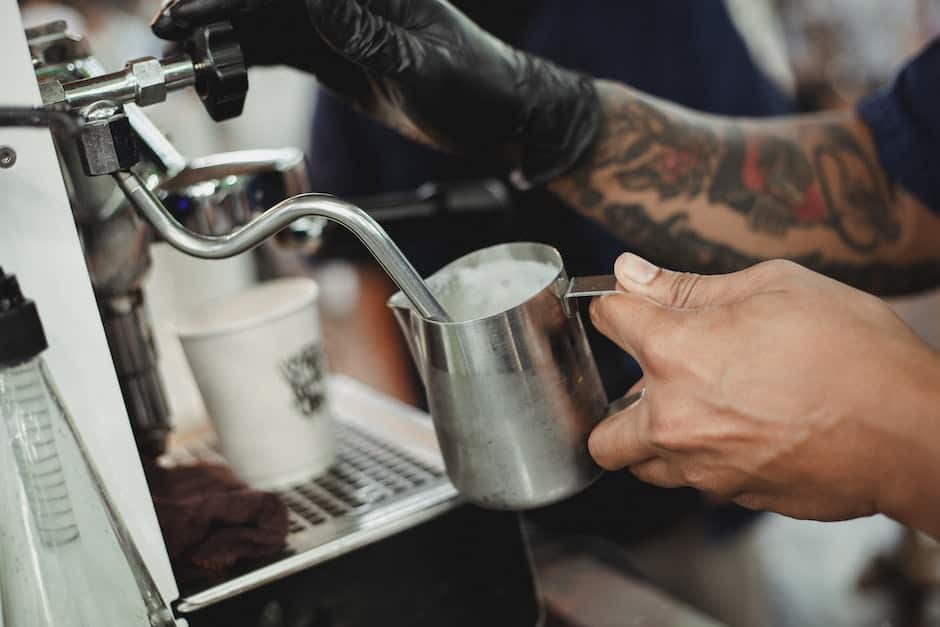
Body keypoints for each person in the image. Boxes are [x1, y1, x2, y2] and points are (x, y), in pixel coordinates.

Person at [153, 0, 940, 539]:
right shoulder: (383, 63)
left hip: (691, 514)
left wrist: (891, 426)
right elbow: (889, 184)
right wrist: (549, 120)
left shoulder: (663, 18)